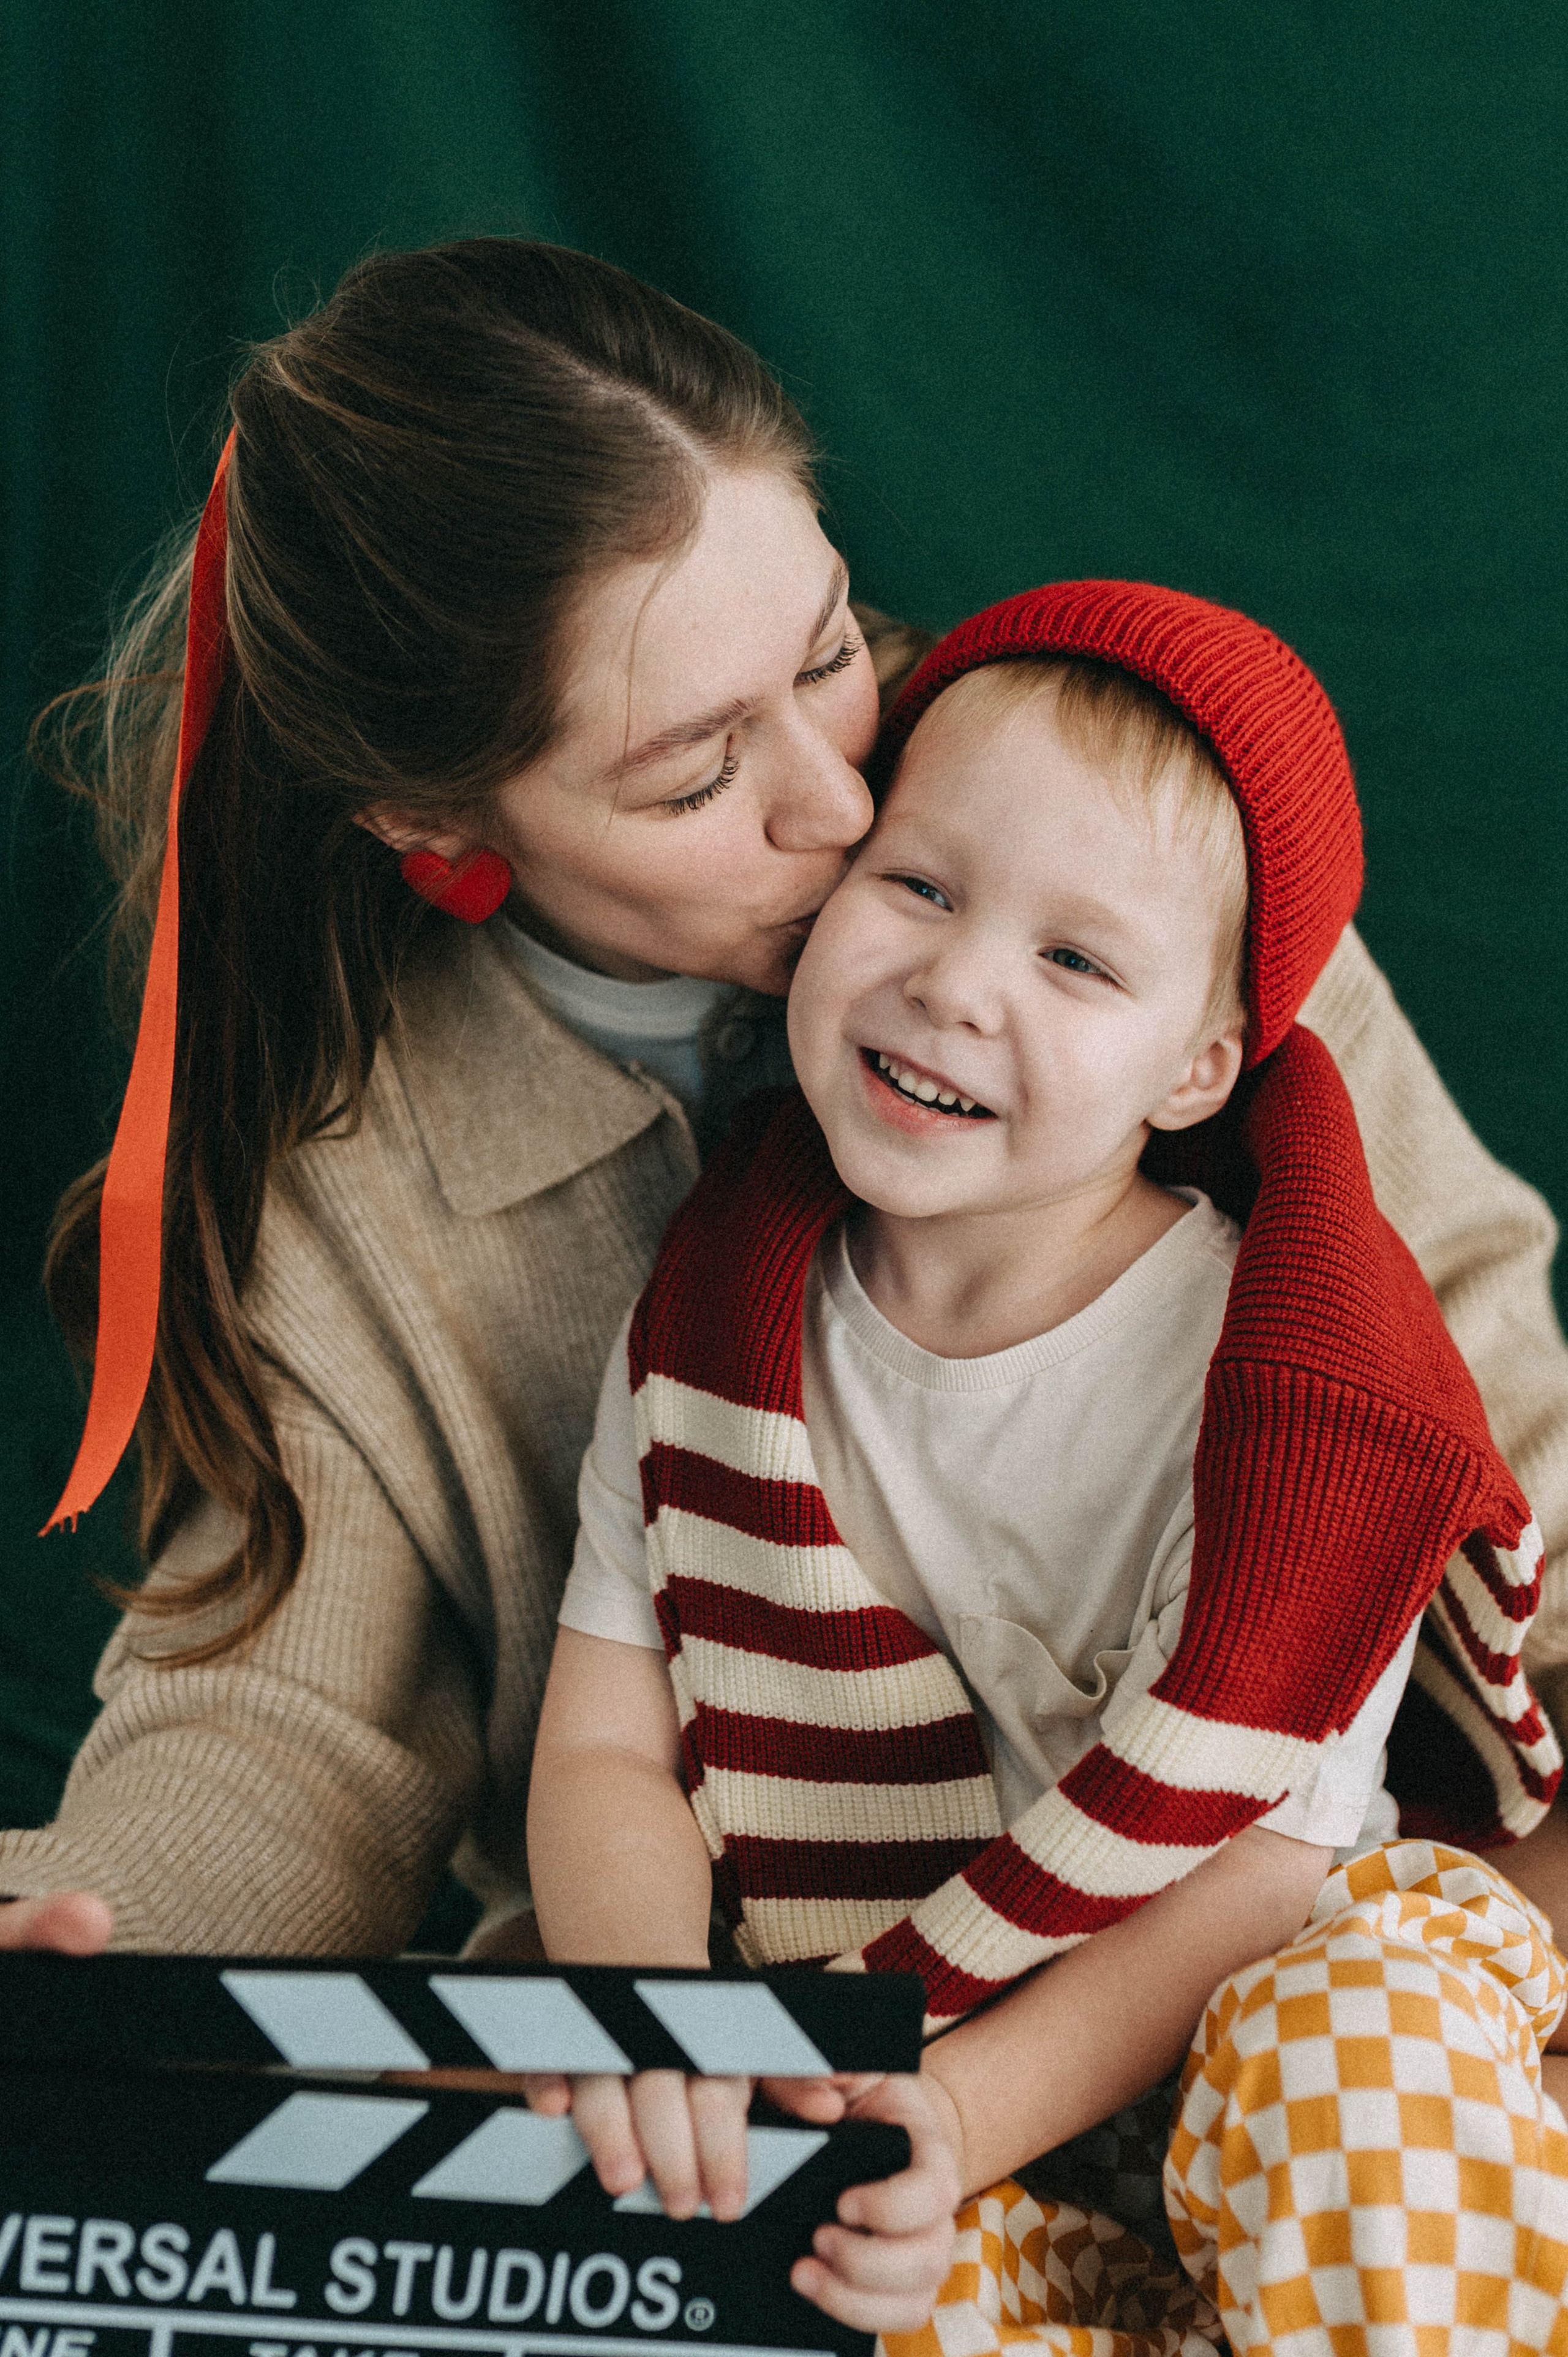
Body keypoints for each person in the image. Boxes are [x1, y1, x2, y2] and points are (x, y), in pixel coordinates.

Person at [4, 235, 1568, 1996]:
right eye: (692, 774)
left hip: (1278, 1974)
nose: (838, 800)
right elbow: (289, 1727)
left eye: (827, 649)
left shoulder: (1144, 864)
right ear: (431, 827)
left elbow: (1510, 1460)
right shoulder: (351, 1203)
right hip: (735, 2014)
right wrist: (89, 1942)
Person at [526, 583, 1568, 2352]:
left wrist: (970, 2110)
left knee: (1356, 2058)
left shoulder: (1294, 1394)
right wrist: (661, 2026)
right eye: (920, 887)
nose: (955, 982)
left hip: (1265, 1980)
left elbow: (1251, 1877)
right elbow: (613, 1741)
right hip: (924, 2055)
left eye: (1075, 960)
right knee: (824, 2260)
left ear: (1199, 1065)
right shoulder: (714, 1333)